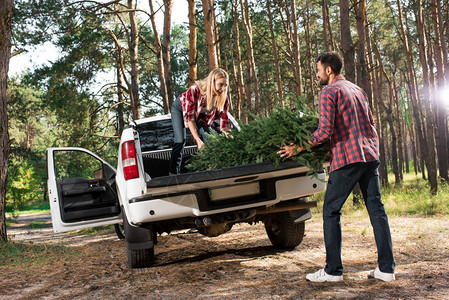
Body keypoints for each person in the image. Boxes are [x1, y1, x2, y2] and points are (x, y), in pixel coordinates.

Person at [278, 52, 395, 282]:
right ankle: (387, 269)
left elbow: (324, 132)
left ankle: (333, 271)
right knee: (377, 211)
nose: (317, 74)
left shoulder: (329, 92)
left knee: (331, 211)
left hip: (348, 158)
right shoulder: (357, 89)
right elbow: (371, 123)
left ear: (329, 70)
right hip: (370, 156)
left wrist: (297, 148)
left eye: (319, 70)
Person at [169, 68, 230, 175]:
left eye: (225, 85)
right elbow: (190, 119)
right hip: (180, 108)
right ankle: (173, 174)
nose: (223, 89)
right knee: (180, 141)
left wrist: (228, 134)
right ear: (212, 82)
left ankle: (213, 170)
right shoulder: (195, 90)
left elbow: (224, 121)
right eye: (220, 85)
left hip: (200, 114)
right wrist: (197, 140)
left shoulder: (223, 97)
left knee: (211, 139)